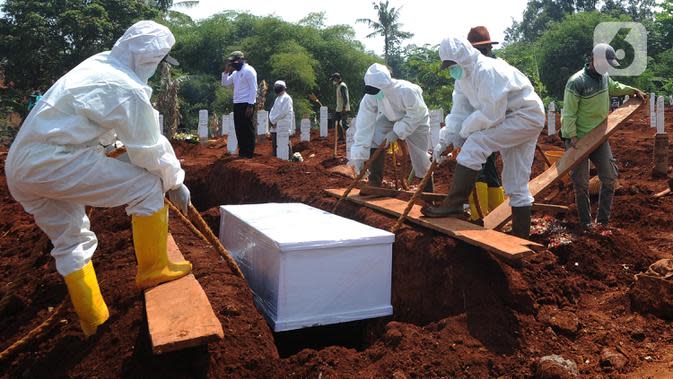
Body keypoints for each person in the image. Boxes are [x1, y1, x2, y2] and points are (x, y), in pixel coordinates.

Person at [5, 21, 192, 337]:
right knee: (147, 185)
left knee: (70, 239)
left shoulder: (100, 64)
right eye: (158, 61)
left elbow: (96, 126)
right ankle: (154, 268)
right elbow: (148, 149)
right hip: (54, 159)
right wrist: (175, 181)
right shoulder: (126, 88)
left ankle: (93, 320)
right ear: (150, 59)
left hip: (21, 166)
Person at [421, 37, 545, 240]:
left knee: (476, 144)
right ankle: (521, 239)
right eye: (449, 66)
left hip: (524, 116)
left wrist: (462, 134)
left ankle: (453, 205)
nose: (452, 70)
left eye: (453, 65)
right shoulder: (463, 79)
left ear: (464, 58)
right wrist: (445, 139)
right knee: (516, 183)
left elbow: (490, 115)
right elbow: (460, 112)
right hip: (512, 118)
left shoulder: (487, 71)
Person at [561, 43, 645, 230]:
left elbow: (615, 87)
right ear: (594, 60)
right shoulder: (577, 82)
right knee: (581, 183)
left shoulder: (604, 78)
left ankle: (602, 223)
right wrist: (573, 138)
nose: (607, 68)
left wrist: (631, 90)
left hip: (599, 137)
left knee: (609, 177)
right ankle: (586, 224)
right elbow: (568, 113)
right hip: (578, 140)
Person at [349, 63, 433, 194]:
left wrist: (397, 132)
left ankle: (428, 191)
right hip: (390, 118)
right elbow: (364, 124)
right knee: (375, 135)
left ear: (385, 85)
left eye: (376, 89)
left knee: (420, 156)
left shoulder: (406, 90)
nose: (373, 93)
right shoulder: (371, 96)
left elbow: (416, 113)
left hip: (417, 120)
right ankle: (374, 181)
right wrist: (359, 155)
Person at [465, 26, 505, 221]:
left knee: (476, 168)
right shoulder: (498, 65)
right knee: (489, 168)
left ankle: (478, 216)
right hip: (496, 125)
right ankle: (497, 214)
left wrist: (465, 130)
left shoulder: (486, 69)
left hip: (487, 124)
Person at [221, 51, 258, 158]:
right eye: (231, 62)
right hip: (237, 103)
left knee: (247, 128)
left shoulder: (249, 71)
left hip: (247, 104)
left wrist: (250, 106)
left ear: (241, 60)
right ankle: (242, 152)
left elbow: (253, 89)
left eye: (234, 61)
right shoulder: (236, 73)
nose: (232, 64)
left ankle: (249, 153)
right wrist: (226, 71)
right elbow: (225, 83)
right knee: (239, 129)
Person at [268, 80, 293, 157]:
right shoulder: (277, 98)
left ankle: (289, 159)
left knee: (284, 143)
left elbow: (283, 112)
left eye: (278, 86)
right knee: (275, 145)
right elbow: (272, 111)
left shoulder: (287, 98)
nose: (276, 88)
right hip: (274, 126)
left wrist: (274, 121)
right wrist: (271, 121)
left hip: (283, 125)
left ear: (283, 88)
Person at [330, 72, 350, 140]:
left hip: (343, 108)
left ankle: (351, 136)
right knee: (336, 121)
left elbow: (345, 98)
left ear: (336, 78)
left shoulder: (342, 86)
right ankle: (341, 137)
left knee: (344, 124)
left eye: (333, 79)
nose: (333, 81)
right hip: (339, 109)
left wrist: (344, 108)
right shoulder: (339, 86)